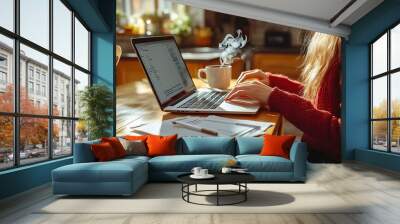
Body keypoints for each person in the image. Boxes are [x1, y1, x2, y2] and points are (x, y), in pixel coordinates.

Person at [225, 33, 341, 163]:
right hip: (313, 149)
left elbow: (340, 134)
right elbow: (320, 98)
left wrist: (274, 97)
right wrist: (273, 82)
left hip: (325, 162)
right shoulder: (328, 35)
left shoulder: (348, 44)